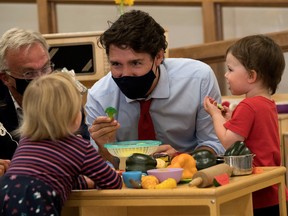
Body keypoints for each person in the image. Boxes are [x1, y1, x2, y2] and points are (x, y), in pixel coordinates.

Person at [85, 10, 225, 168]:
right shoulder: (99, 96)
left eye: (136, 63)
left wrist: (179, 160)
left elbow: (213, 144)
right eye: (116, 64)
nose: (125, 74)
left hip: (192, 178)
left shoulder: (198, 79)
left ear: (158, 57)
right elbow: (103, 167)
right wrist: (104, 149)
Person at [0, 72, 122, 215]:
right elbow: (112, 182)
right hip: (37, 199)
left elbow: (57, 175)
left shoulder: (27, 140)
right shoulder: (79, 147)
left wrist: (84, 182)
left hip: (5, 192)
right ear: (74, 116)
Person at [203, 34, 288, 215]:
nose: (226, 75)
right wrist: (230, 119)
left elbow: (230, 143)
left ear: (251, 75)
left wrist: (215, 115)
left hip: (255, 192)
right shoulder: (266, 103)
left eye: (230, 69)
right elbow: (251, 135)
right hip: (272, 187)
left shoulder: (248, 106)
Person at [0, 27, 90, 160]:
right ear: (5, 78)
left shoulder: (64, 95)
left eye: (45, 68)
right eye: (29, 73)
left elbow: (84, 151)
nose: (41, 78)